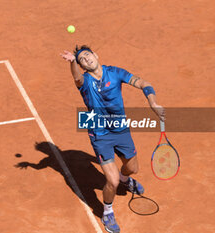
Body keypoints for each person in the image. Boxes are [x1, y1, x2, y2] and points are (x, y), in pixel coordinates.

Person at [60, 45, 165, 233]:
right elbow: (76, 77)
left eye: (87, 55)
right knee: (112, 181)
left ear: (96, 55)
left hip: (121, 128)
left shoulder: (115, 73)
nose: (86, 59)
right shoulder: (84, 81)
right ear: (81, 65)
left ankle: (126, 179)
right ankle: (107, 212)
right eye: (81, 60)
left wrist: (153, 103)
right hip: (99, 134)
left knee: (132, 168)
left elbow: (143, 83)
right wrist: (73, 62)